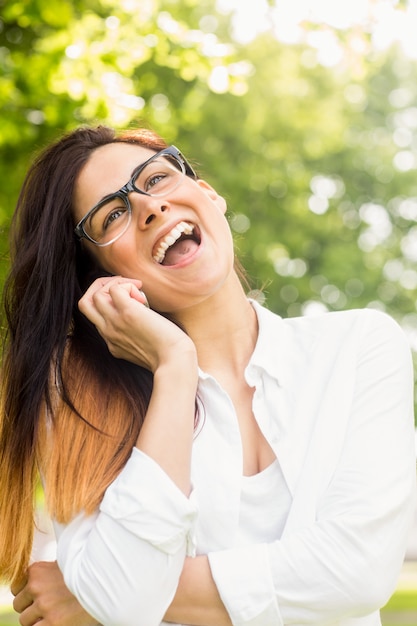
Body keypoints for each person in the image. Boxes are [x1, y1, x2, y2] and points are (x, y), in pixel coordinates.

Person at [0, 124, 415, 626]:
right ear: (100, 278)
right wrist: (175, 367)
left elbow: (357, 572)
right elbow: (124, 601)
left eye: (154, 179)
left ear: (209, 196)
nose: (149, 207)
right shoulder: (79, 398)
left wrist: (92, 587)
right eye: (111, 214)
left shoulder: (359, 347)